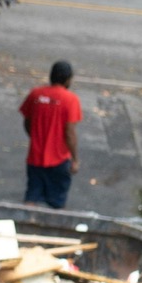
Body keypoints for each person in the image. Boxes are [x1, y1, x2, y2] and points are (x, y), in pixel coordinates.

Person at [19, 61, 81, 209]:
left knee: (32, 197)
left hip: (35, 158)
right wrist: (75, 159)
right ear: (68, 80)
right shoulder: (70, 100)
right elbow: (69, 133)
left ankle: (25, 221)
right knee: (57, 203)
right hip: (59, 160)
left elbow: (27, 122)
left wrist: (36, 137)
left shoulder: (35, 94)